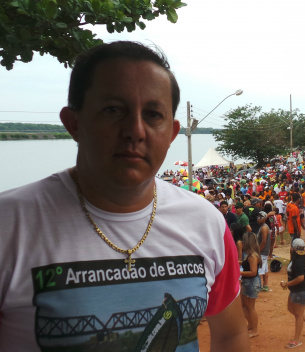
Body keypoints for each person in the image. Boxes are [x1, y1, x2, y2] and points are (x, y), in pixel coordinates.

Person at [0, 41, 247, 350]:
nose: (135, 130)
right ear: (73, 123)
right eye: (113, 110)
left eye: (153, 114)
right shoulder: (9, 225)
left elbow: (231, 334)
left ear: (171, 133)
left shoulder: (207, 222)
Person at [280, 239, 305, 349]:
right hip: (297, 290)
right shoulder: (298, 258)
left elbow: (300, 278)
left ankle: (297, 340)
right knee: (291, 308)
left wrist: (287, 283)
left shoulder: (298, 261)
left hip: (302, 291)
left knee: (298, 314)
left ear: (293, 248)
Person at [240, 232, 262, 338]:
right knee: (244, 305)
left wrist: (238, 272)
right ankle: (250, 326)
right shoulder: (250, 254)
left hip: (252, 283)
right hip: (248, 282)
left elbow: (253, 272)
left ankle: (255, 329)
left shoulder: (252, 256)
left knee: (250, 307)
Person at [256, 211, 271, 292]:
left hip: (262, 252)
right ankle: (265, 285)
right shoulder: (263, 227)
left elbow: (264, 241)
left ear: (264, 219)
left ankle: (258, 286)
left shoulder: (264, 228)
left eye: (260, 217)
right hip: (264, 252)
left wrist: (258, 251)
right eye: (258, 217)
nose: (258, 219)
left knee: (259, 270)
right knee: (265, 269)